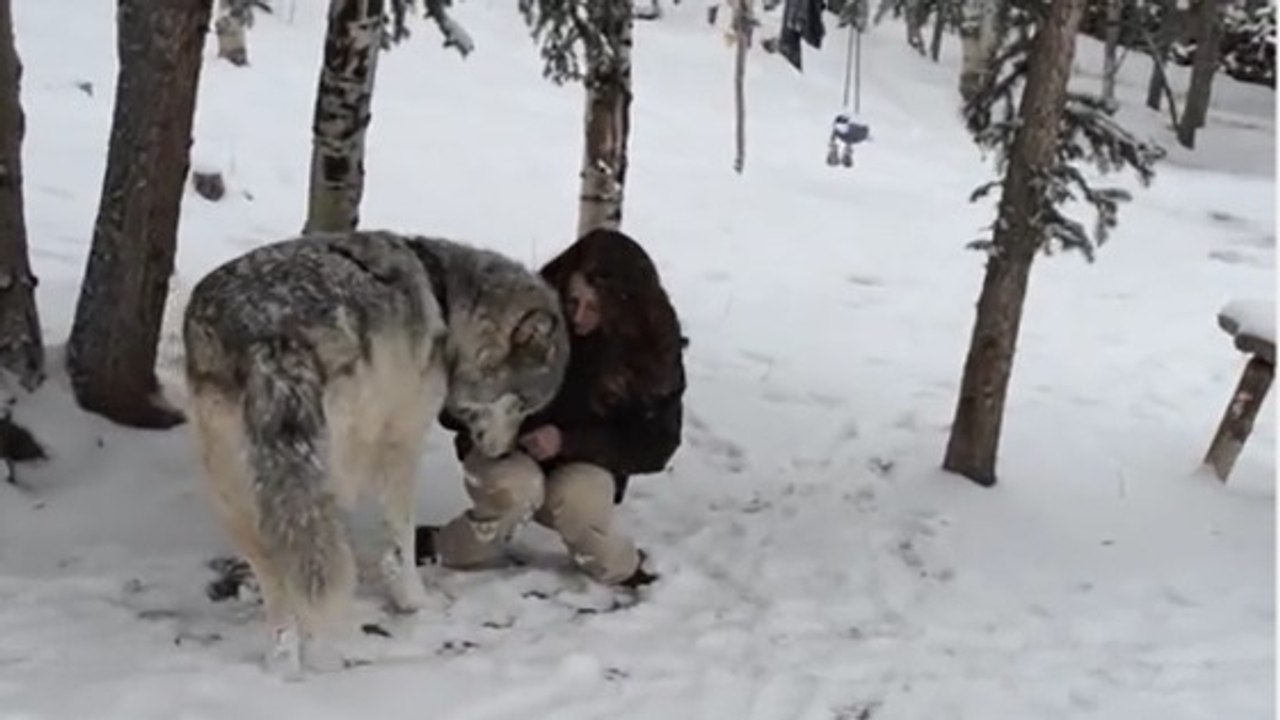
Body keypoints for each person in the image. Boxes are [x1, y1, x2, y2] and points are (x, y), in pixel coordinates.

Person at [416, 228, 687, 589]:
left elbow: (655, 445)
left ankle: (628, 567)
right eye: (573, 301)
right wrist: (504, 422)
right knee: (514, 491)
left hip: (586, 462)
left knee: (584, 515)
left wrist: (568, 442)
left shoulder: (650, 350)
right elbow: (454, 407)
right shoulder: (524, 318)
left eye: (594, 308)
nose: (578, 317)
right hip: (505, 451)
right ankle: (442, 546)